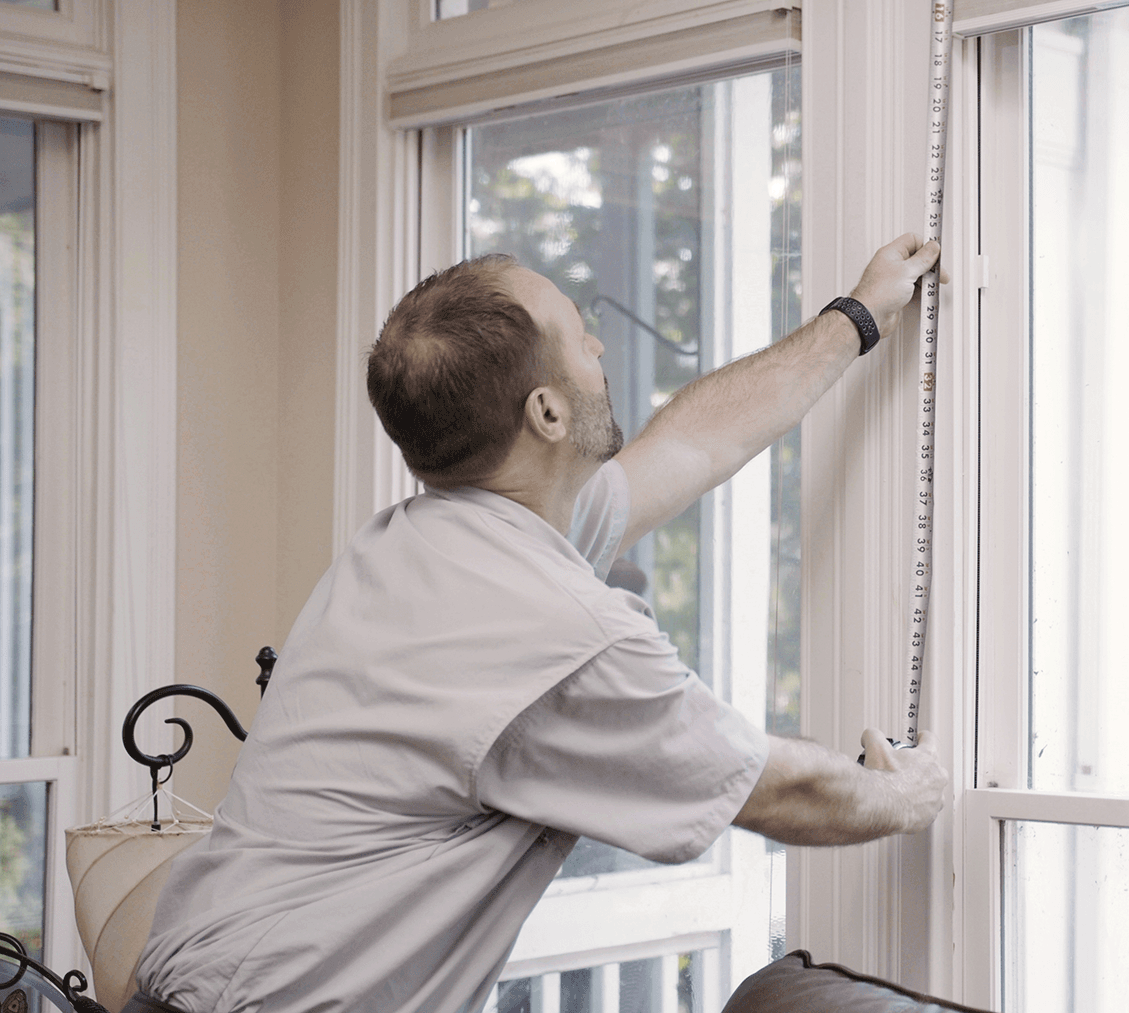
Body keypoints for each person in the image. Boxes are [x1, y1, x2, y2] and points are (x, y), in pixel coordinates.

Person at [128, 234, 950, 1013]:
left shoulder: (416, 542)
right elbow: (781, 791)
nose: (599, 348)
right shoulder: (554, 632)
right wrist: (909, 790)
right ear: (548, 414)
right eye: (580, 336)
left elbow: (695, 444)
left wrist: (857, 317)